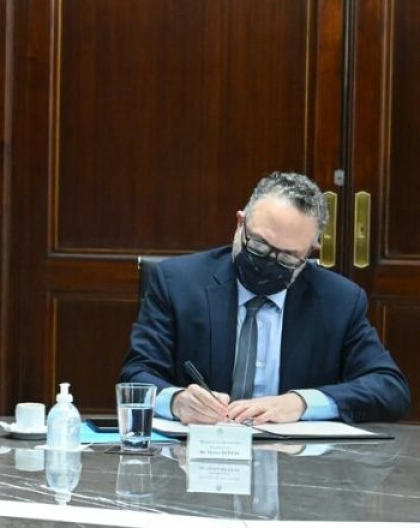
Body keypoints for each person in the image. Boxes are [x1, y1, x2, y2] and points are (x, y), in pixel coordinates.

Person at [120, 172, 409, 424]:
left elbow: (389, 388)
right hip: (195, 457)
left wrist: (301, 403)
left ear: (310, 251)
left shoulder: (339, 301)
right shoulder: (179, 283)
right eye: (258, 246)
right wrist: (176, 401)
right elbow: (136, 374)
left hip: (297, 463)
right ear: (239, 224)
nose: (268, 263)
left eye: (287, 258)